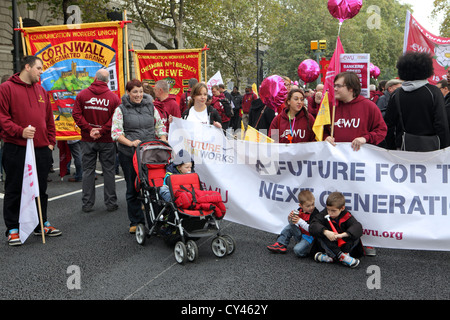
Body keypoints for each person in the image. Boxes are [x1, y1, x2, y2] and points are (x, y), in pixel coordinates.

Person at [0, 56, 61, 245]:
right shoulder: (6, 88)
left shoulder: (41, 90)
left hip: (41, 149)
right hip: (16, 148)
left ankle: (40, 223)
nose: (41, 72)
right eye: (39, 68)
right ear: (27, 67)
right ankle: (13, 229)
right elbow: (2, 118)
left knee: (40, 188)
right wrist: (20, 132)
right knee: (15, 188)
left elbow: (49, 119)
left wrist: (51, 142)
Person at [111, 79, 167, 233]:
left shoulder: (151, 107)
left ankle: (157, 219)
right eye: (135, 92)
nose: (138, 95)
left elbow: (160, 126)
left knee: (154, 186)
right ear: (128, 93)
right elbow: (116, 133)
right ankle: (136, 221)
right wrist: (130, 143)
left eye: (140, 91)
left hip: (150, 154)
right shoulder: (120, 110)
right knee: (133, 187)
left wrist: (163, 141)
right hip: (129, 154)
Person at [72, 68, 121, 213]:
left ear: (95, 78)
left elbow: (76, 114)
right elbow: (115, 119)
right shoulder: (113, 98)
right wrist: (102, 130)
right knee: (109, 171)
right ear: (107, 81)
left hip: (88, 139)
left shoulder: (82, 94)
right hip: (106, 140)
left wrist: (89, 129)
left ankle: (87, 204)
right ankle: (111, 203)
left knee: (88, 171)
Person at [384, 52, 450, 151]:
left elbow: (388, 125)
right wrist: (444, 149)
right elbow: (441, 125)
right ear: (426, 69)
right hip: (431, 149)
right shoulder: (434, 92)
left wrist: (391, 148)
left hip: (402, 149)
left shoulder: (396, 94)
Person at [325, 71, 387, 151]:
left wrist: (365, 139)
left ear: (351, 88)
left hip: (360, 158)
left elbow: (381, 131)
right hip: (336, 158)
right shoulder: (332, 107)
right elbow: (322, 130)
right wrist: (326, 137)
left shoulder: (369, 106)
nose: (335, 89)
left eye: (338, 86)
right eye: (334, 85)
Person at [309, 191, 363, 268]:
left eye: (333, 211)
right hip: (330, 244)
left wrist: (342, 235)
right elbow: (313, 225)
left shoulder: (346, 215)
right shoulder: (324, 213)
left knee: (355, 234)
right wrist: (326, 232)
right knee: (321, 235)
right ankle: (341, 256)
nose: (330, 213)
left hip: (343, 244)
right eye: (328, 209)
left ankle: (333, 257)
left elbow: (358, 227)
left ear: (342, 208)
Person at [266, 190, 319, 257]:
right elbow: (292, 223)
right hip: (301, 235)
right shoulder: (299, 210)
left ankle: (307, 250)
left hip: (309, 238)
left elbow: (312, 230)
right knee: (290, 226)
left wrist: (299, 221)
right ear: (301, 205)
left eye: (312, 204)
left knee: (297, 250)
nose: (311, 207)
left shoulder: (315, 213)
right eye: (308, 206)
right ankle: (281, 244)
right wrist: (290, 218)